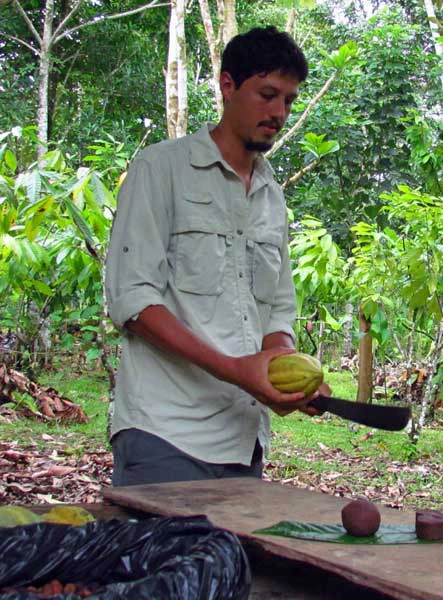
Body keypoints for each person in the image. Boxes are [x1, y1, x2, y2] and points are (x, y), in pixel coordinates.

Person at [104, 26, 326, 487]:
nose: (278, 112)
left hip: (244, 443)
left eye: (288, 100)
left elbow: (277, 310)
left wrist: (284, 370)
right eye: (267, 95)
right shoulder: (160, 169)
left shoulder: (271, 197)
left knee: (227, 562)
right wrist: (236, 371)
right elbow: (133, 301)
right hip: (165, 434)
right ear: (227, 85)